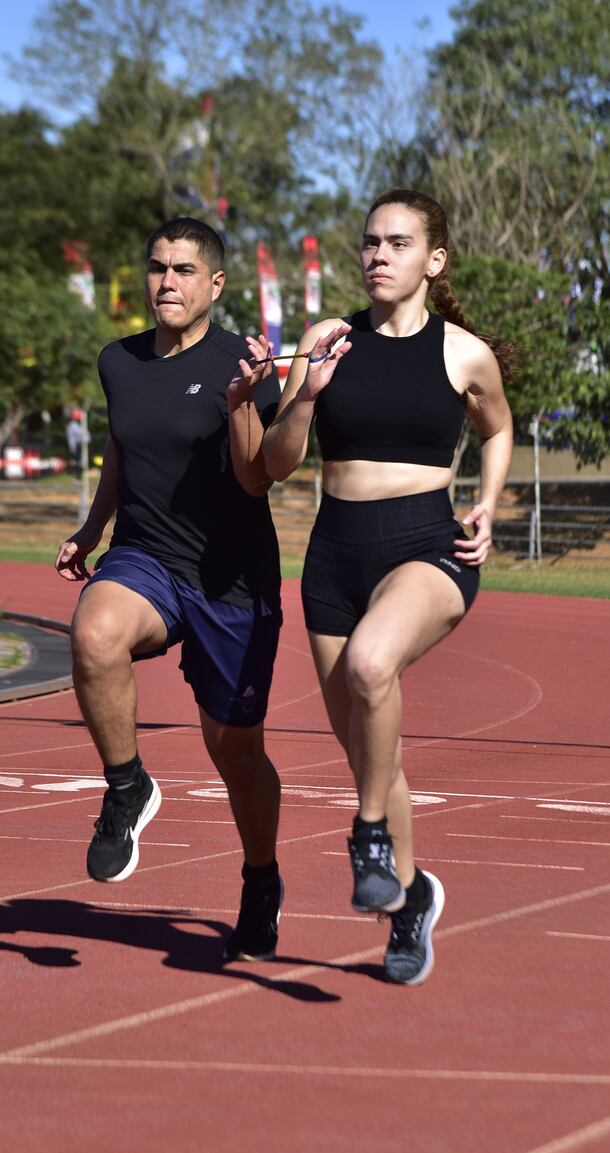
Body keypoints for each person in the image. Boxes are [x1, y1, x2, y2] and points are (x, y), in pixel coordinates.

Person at [260, 188, 514, 985]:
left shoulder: (463, 353)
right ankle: (410, 900)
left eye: (398, 243)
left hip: (427, 548)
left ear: (432, 260)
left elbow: (499, 427)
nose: (378, 255)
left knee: (373, 666)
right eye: (370, 242)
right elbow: (275, 462)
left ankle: (368, 835)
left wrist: (488, 503)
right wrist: (305, 390)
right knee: (373, 749)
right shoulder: (326, 340)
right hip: (334, 555)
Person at [55, 217, 284, 962]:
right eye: (158, 267)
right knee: (93, 633)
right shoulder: (117, 361)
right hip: (145, 558)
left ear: (215, 284)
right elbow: (122, 445)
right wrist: (93, 528)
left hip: (232, 581)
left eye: (184, 270)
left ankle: (260, 877)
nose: (166, 283)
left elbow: (257, 479)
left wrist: (245, 402)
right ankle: (127, 786)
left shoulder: (245, 363)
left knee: (235, 753)